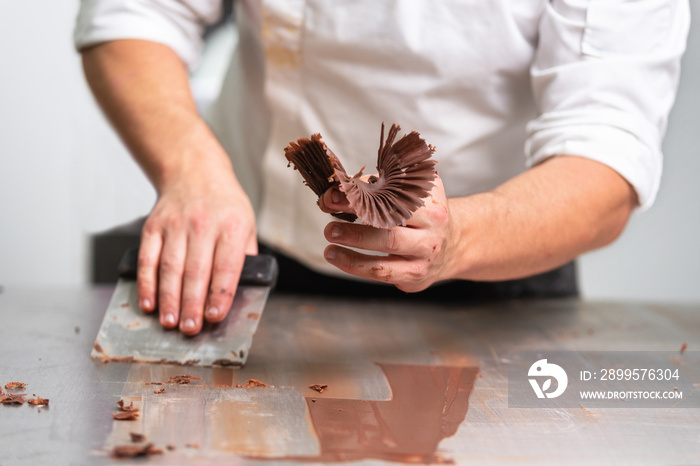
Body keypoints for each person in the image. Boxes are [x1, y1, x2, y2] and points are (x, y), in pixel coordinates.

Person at [74, 0, 690, 335]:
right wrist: (191, 166)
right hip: (255, 255)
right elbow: (137, 14)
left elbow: (606, 156)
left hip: (498, 284)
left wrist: (461, 237)